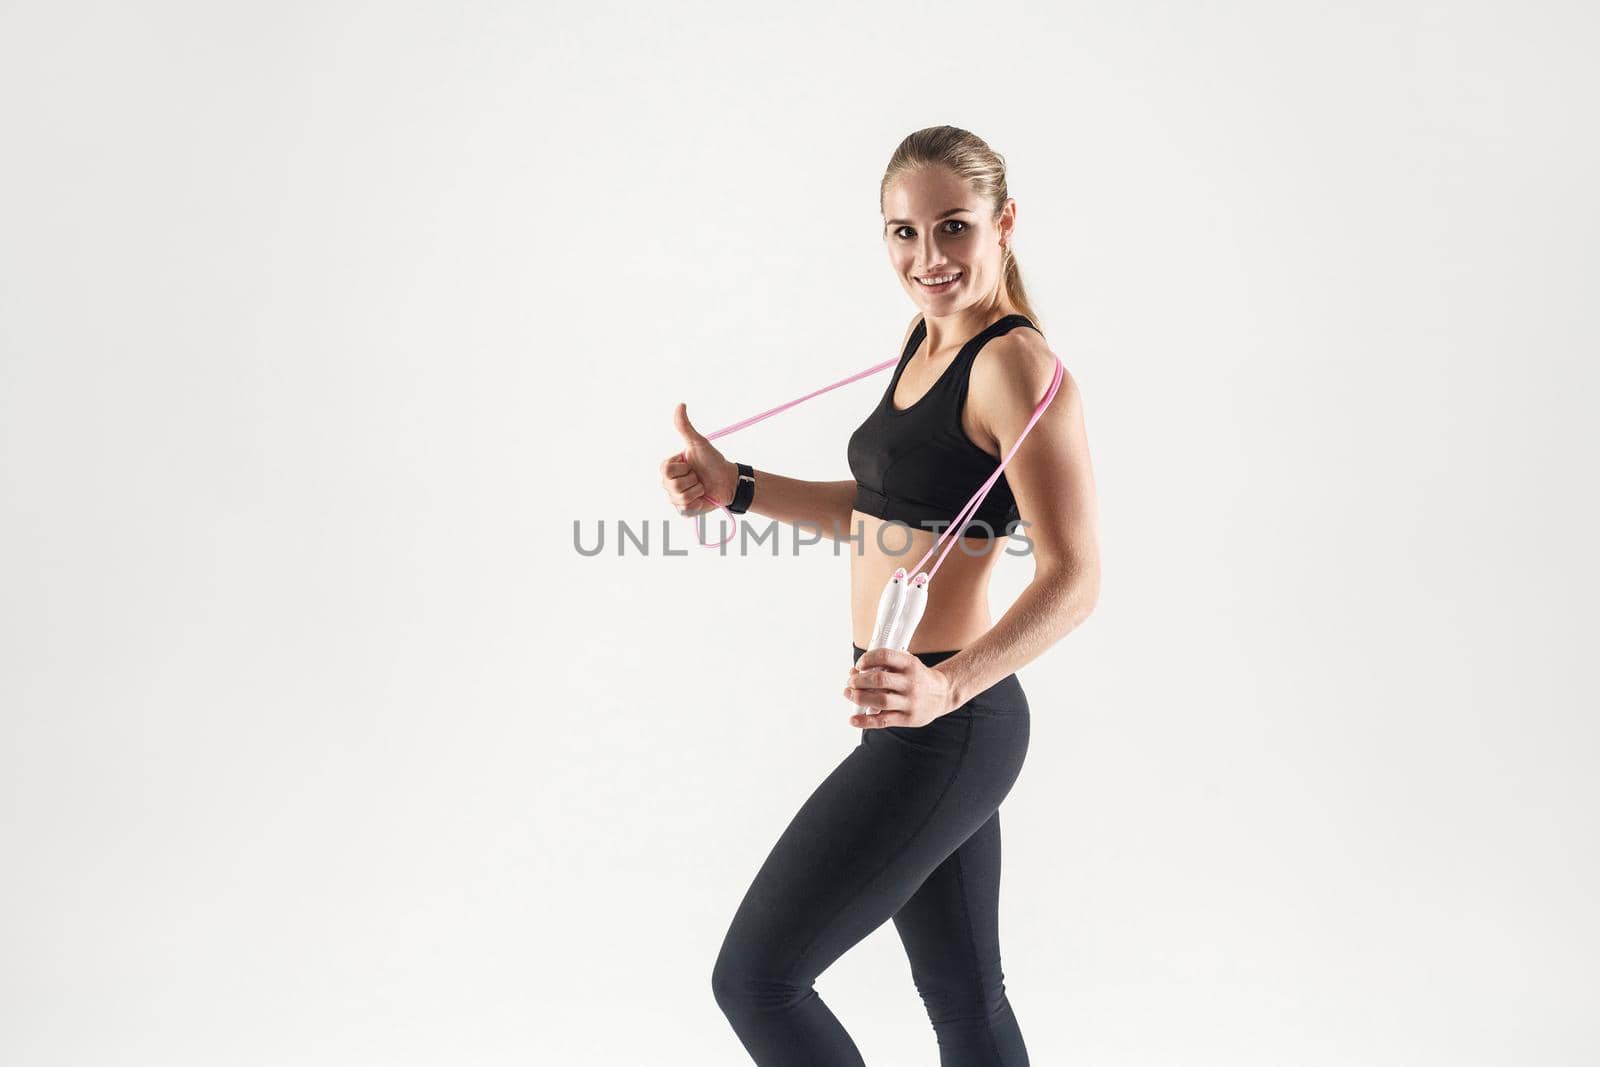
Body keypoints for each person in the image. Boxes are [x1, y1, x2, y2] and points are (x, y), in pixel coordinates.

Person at [658, 125, 1101, 1066]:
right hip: (908, 712)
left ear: (1004, 223)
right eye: (904, 232)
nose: (928, 257)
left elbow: (1076, 577)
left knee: (758, 980)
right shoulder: (926, 341)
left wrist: (950, 686)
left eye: (953, 228)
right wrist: (737, 484)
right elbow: (882, 516)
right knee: (967, 1004)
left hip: (950, 719)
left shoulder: (1013, 365)